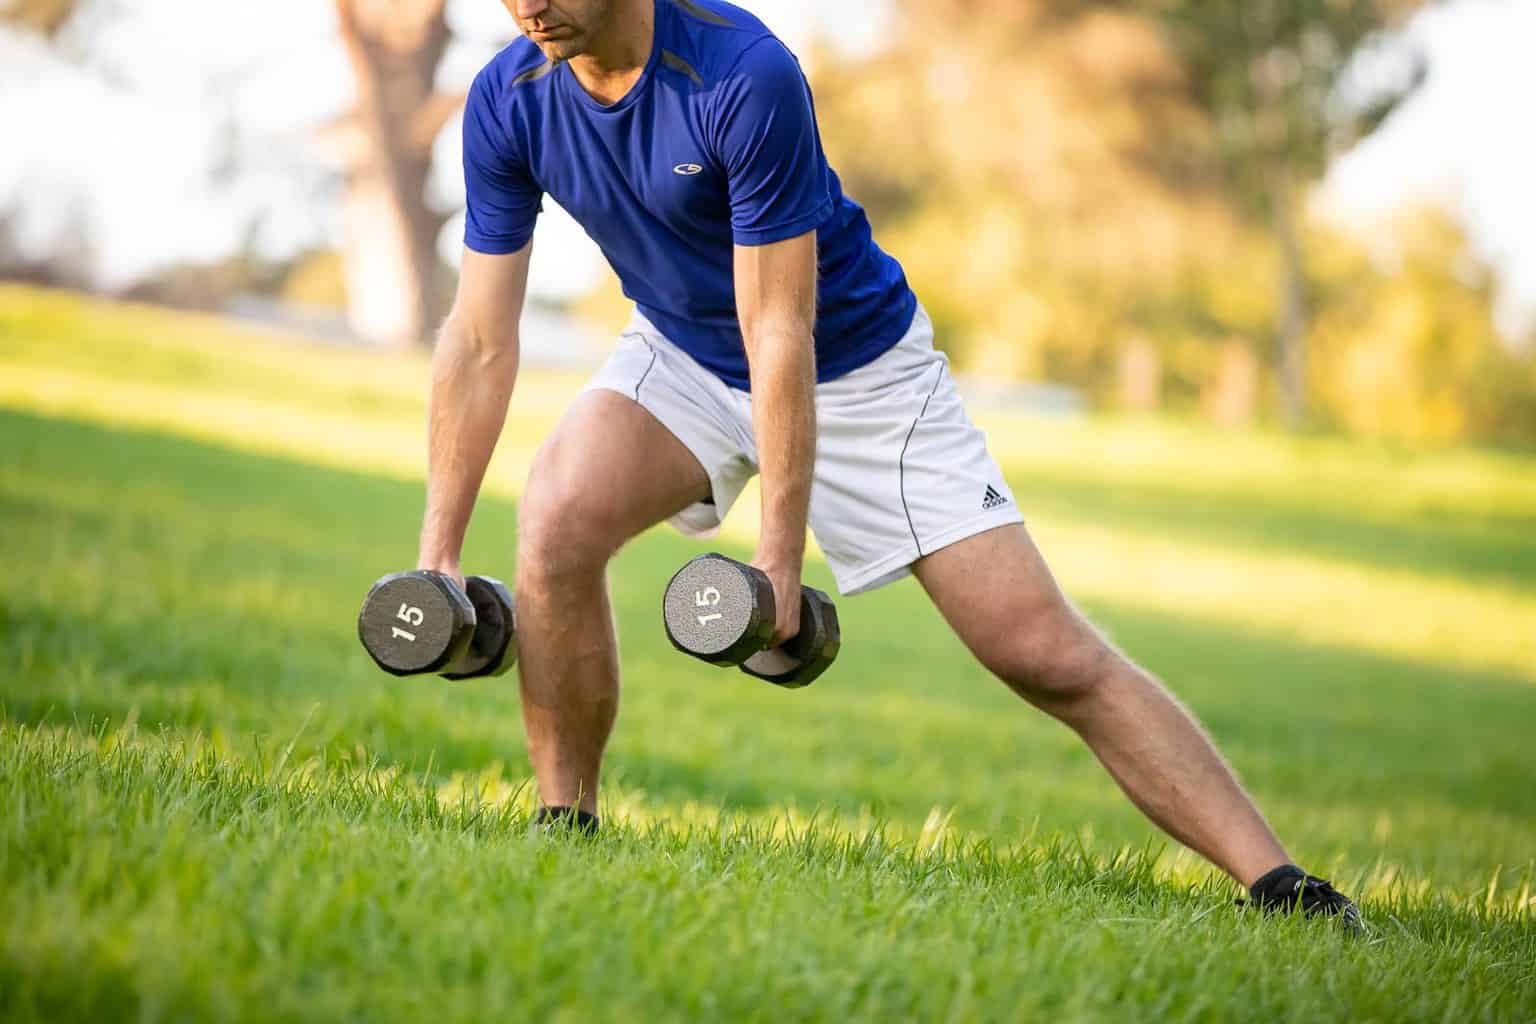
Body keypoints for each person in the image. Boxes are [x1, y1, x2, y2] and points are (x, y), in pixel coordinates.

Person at [417, 0, 1361, 926]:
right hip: (683, 355)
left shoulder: (743, 72)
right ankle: (564, 826)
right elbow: (479, 339)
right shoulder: (509, 96)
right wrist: (440, 557)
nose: (529, 4)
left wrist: (778, 561)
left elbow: (781, 328)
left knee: (1039, 651)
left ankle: (1282, 884)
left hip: (856, 371)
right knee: (553, 520)